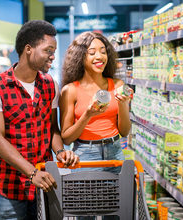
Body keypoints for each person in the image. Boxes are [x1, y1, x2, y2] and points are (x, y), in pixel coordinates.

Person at [0, 20, 79, 220]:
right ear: (28, 49)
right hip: (11, 184)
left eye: (54, 51)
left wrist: (60, 152)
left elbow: (52, 129)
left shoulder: (50, 84)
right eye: (48, 50)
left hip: (45, 180)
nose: (52, 56)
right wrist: (31, 173)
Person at [59, 31, 132, 220]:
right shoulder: (70, 90)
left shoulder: (117, 84)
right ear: (80, 57)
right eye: (91, 52)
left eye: (103, 51)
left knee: (114, 212)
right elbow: (66, 137)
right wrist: (88, 115)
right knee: (86, 214)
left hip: (115, 152)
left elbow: (124, 132)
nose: (99, 56)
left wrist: (123, 104)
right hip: (85, 155)